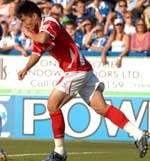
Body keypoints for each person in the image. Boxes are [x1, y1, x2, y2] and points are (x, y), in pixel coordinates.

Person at [16, 1, 149, 161]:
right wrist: (25, 69)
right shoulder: (37, 32)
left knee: (52, 105)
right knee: (102, 108)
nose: (23, 24)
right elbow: (37, 53)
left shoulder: (49, 23)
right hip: (83, 70)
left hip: (76, 69)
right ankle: (138, 133)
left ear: (34, 15)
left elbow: (43, 38)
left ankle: (59, 153)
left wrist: (29, 34)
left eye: (24, 20)